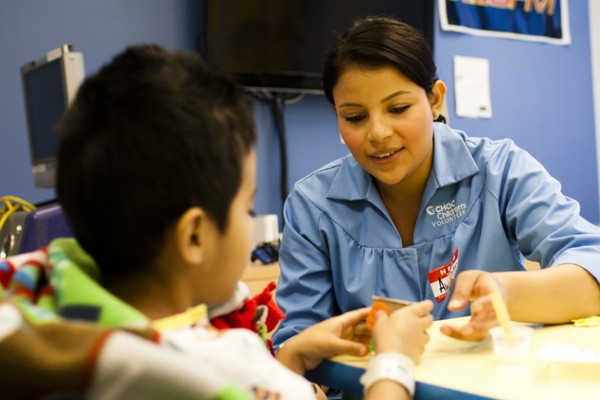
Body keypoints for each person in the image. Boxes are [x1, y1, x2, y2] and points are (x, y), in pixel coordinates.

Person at [0, 44, 433, 400]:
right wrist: (392, 362)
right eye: (246, 207)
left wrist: (295, 354)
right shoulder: (217, 368)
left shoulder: (39, 312)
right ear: (194, 235)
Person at [272, 16, 600, 349]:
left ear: (435, 99)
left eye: (398, 108)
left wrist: (507, 293)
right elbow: (296, 342)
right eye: (355, 117)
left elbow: (593, 266)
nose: (378, 134)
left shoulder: (500, 170)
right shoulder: (312, 205)